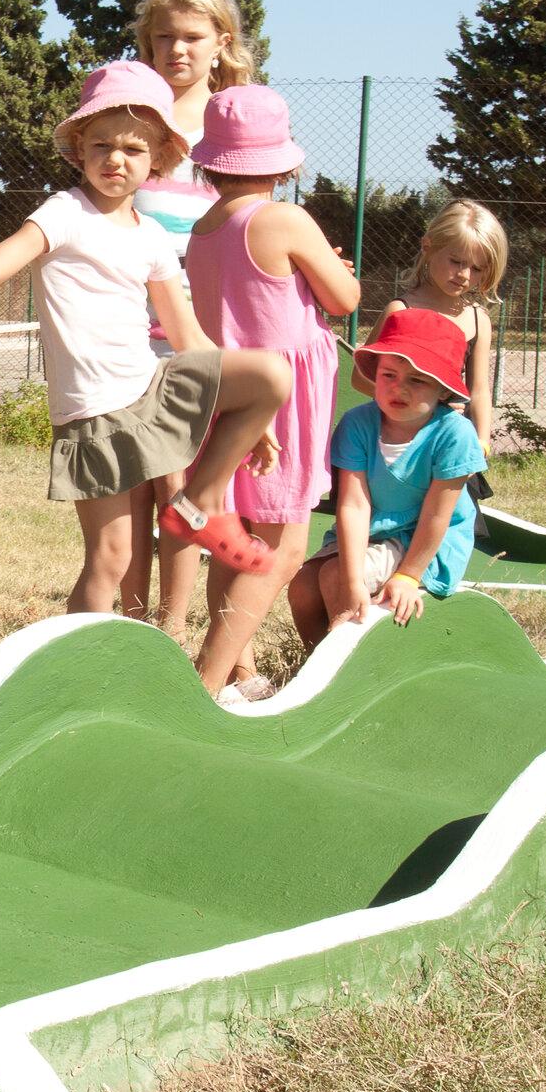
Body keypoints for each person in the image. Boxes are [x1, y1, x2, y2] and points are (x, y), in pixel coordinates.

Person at [0, 60, 290, 623]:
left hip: (150, 390)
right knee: (111, 560)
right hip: (96, 413)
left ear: (158, 160)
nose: (116, 159)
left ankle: (195, 507)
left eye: (134, 150)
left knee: (269, 377)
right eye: (102, 145)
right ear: (80, 149)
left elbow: (186, 336)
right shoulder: (64, 214)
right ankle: (74, 665)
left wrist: (254, 422)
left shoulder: (154, 237)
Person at [178, 85, 359, 700]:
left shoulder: (204, 227)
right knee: (282, 548)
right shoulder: (284, 218)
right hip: (283, 405)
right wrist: (328, 269)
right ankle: (204, 684)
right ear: (286, 165)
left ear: (209, 161)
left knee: (234, 541)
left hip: (228, 397)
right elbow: (345, 298)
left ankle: (241, 672)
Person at [126, 0, 260, 627]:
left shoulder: (237, 122)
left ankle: (172, 629)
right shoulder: (133, 118)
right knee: (130, 490)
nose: (177, 50)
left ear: (220, 41)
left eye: (192, 37)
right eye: (163, 38)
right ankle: (123, 626)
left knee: (182, 487)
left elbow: (257, 220)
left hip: (206, 335)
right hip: (129, 334)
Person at [289, 307, 488, 648]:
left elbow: (438, 516)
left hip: (422, 542)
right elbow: (353, 505)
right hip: (371, 531)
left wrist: (408, 575)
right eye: (389, 375)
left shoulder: (454, 434)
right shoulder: (357, 424)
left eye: (417, 379)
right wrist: (352, 583)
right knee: (304, 587)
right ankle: (316, 667)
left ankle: (348, 679)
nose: (399, 389)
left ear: (442, 389)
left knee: (336, 577)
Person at [353, 199, 509, 492]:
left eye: (476, 268)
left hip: (448, 442)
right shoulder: (400, 310)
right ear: (428, 246)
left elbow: (479, 389)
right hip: (397, 441)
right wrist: (415, 401)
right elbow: (361, 376)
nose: (464, 275)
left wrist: (482, 440)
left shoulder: (477, 320)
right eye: (456, 261)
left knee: (446, 524)